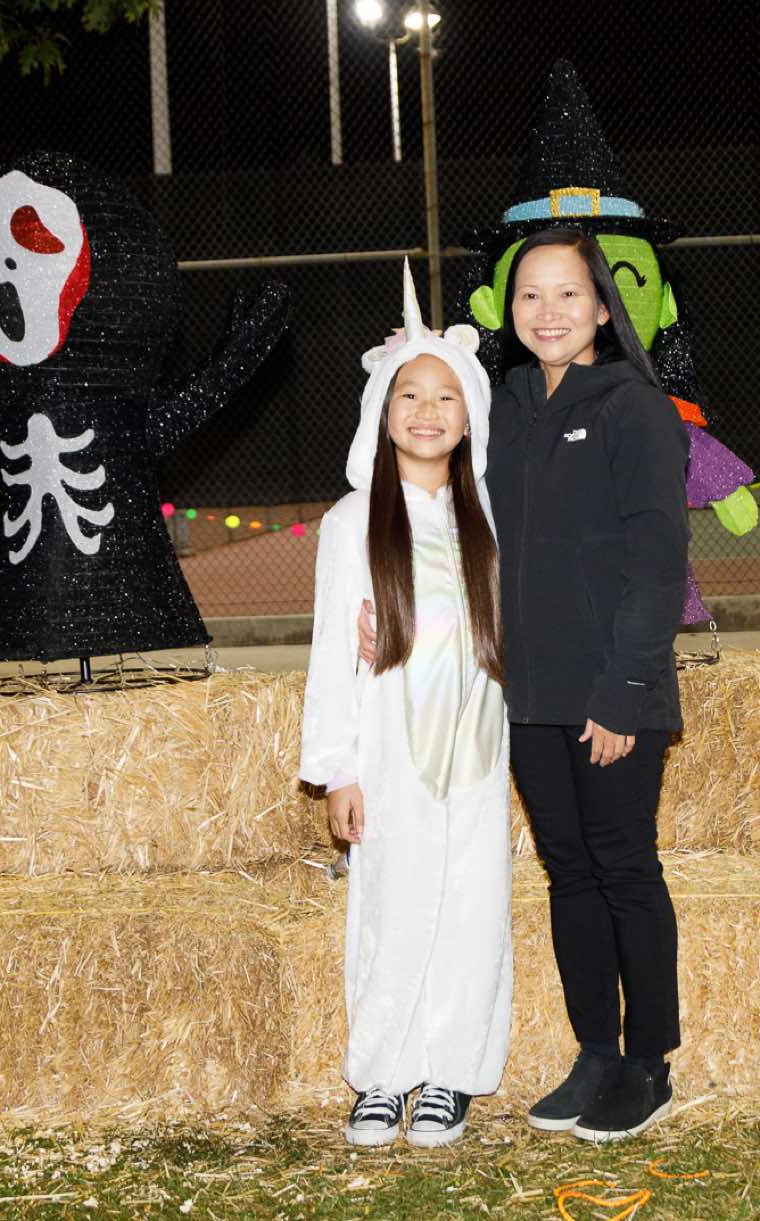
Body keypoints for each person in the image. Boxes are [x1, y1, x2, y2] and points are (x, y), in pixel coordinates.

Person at [364, 225, 690, 1142]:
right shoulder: (503, 403)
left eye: (569, 293)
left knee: (624, 867)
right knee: (569, 872)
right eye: (530, 296)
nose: (549, 312)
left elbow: (658, 564)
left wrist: (623, 691)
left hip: (611, 693)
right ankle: (596, 1052)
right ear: (510, 310)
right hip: (527, 696)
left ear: (603, 307)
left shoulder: (634, 408)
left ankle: (649, 1062)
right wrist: (380, 596)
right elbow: (430, 473)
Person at [299, 267, 512, 1149]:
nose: (428, 410)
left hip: (476, 752)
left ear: (472, 417)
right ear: (381, 412)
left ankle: (451, 1072)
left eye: (446, 396)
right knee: (390, 904)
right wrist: (339, 769)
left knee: (471, 904)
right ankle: (383, 1072)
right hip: (390, 754)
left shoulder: (490, 517)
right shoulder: (351, 524)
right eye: (410, 394)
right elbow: (329, 653)